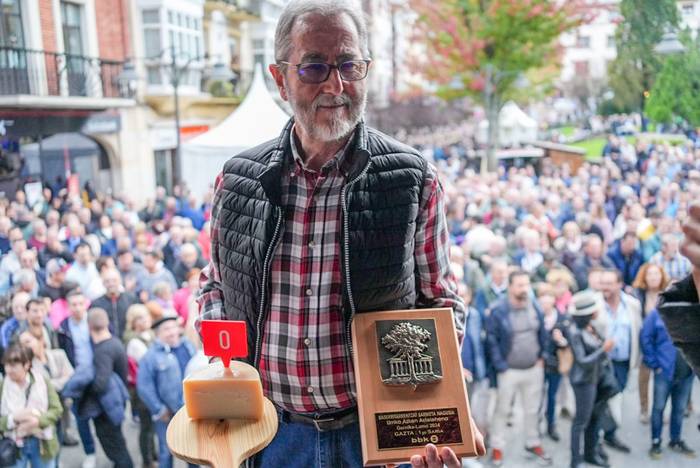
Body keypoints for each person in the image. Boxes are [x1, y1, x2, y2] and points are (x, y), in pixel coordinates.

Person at [195, 1, 484, 467]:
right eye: (314, 66)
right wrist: (220, 365)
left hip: (375, 440)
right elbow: (214, 289)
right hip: (270, 435)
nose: (336, 84)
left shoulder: (412, 178)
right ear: (280, 77)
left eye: (350, 64)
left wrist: (435, 405)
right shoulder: (237, 180)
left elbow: (441, 302)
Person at [485, 270, 551, 466]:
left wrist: (542, 357)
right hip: (509, 371)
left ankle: (533, 442)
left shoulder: (534, 306)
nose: (525, 289)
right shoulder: (498, 310)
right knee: (502, 410)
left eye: (527, 285)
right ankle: (497, 446)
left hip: (533, 368)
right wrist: (500, 366)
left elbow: (542, 333)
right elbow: (491, 340)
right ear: (510, 286)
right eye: (520, 285)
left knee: (532, 409)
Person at [137, 316, 196, 468]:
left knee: (193, 452)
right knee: (166, 451)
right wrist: (159, 409)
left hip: (191, 411)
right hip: (167, 414)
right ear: (157, 334)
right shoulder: (150, 356)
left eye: (173, 327)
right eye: (166, 329)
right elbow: (144, 386)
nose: (171, 332)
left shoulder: (187, 346)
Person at [566, 290, 614, 468]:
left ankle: (590, 453)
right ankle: (575, 460)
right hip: (583, 381)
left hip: (595, 378)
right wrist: (604, 349)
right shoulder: (575, 331)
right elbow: (582, 361)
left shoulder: (590, 326)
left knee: (595, 418)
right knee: (580, 421)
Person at [640, 307, 695, 459]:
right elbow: (645, 337)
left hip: (686, 374)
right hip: (664, 372)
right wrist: (654, 364)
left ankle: (675, 440)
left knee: (679, 409)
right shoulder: (657, 314)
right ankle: (656, 442)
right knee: (658, 408)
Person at [597, 268, 641, 453]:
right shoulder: (595, 304)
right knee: (599, 399)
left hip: (623, 362)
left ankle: (610, 434)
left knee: (616, 396)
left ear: (619, 284)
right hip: (601, 363)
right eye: (603, 283)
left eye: (609, 283)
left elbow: (637, 330)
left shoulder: (632, 304)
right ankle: (596, 438)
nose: (604, 287)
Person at [0, 343, 62, 468]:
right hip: (13, 444)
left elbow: (56, 409)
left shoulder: (42, 381)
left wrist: (38, 421)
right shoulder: (2, 387)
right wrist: (13, 418)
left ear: (27, 365)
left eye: (13, 365)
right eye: (6, 365)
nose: (8, 370)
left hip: (41, 443)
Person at [85, 307, 133, 468]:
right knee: (118, 440)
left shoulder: (102, 351)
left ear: (89, 326)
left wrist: (84, 390)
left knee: (115, 447)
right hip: (117, 402)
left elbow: (100, 384)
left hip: (107, 408)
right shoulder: (115, 342)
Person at [632, 263, 671, 423]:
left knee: (666, 376)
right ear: (644, 277)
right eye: (650, 274)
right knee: (644, 376)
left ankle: (662, 408)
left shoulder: (668, 294)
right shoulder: (639, 295)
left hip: (663, 342)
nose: (653, 277)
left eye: (656, 274)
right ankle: (644, 408)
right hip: (646, 341)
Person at [123, 305, 157, 468]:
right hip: (141, 389)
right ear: (134, 322)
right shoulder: (134, 342)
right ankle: (147, 460)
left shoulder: (149, 335)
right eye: (141, 318)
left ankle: (153, 453)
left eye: (147, 316)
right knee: (146, 427)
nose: (146, 320)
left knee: (152, 426)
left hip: (150, 385)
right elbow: (149, 362)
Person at [91, 268, 139, 340]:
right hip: (107, 341)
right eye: (107, 281)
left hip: (129, 339)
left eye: (114, 280)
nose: (111, 284)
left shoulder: (131, 298)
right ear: (103, 283)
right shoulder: (96, 304)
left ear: (120, 281)